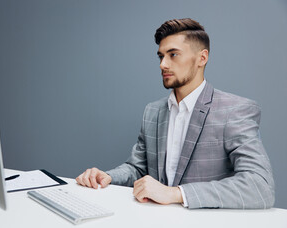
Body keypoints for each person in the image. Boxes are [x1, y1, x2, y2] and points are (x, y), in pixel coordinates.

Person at [76, 18, 275, 209]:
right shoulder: (152, 112)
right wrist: (107, 176)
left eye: (173, 54)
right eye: (161, 56)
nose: (163, 64)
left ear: (202, 58)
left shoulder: (234, 110)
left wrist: (175, 193)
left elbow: (260, 186)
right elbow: (138, 168)